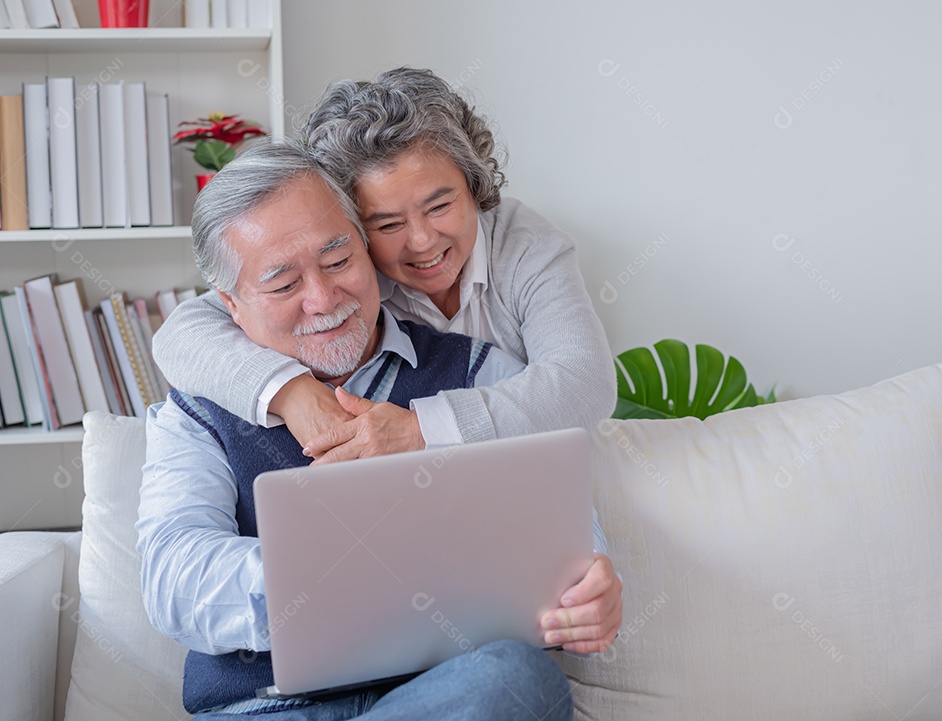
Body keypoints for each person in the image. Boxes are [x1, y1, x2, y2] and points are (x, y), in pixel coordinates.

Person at [136, 142, 623, 719]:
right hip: (265, 708)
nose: (323, 299)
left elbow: (559, 522)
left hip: (443, 696)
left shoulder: (479, 370)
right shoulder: (199, 409)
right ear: (230, 306)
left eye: (338, 261)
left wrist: (590, 586)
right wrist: (333, 580)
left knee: (519, 680)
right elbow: (171, 578)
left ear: (367, 252)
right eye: (283, 284)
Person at [152, 67, 616, 464]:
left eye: (440, 207)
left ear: (474, 184)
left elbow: (585, 385)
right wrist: (290, 392)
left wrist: (420, 430)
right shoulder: (342, 271)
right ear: (350, 226)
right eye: (387, 223)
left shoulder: (525, 246)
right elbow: (181, 335)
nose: (422, 241)